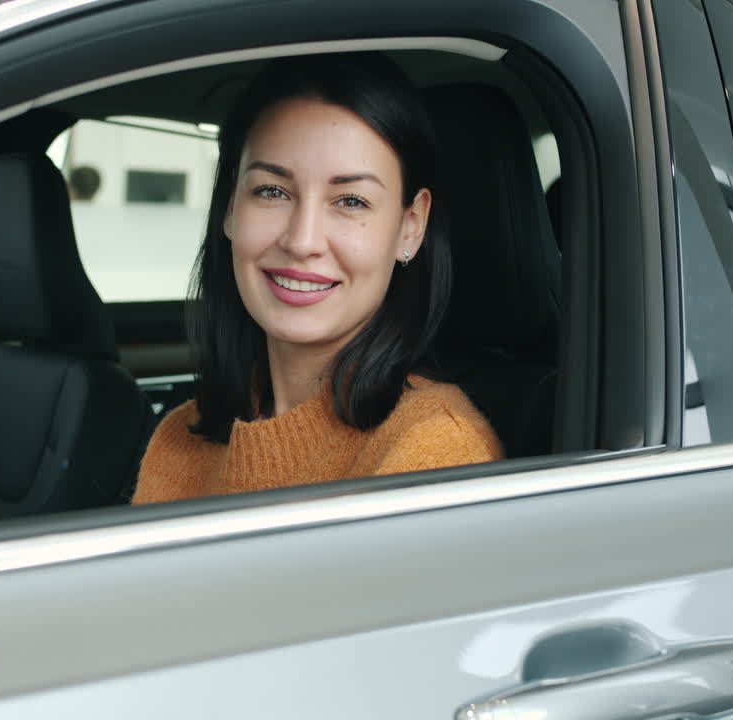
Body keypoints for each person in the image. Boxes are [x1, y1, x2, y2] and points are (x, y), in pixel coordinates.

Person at [132, 52, 503, 504]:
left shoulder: (434, 452)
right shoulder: (180, 439)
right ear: (230, 206)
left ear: (411, 226)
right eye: (272, 191)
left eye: (350, 201)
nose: (302, 240)